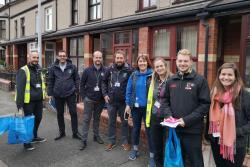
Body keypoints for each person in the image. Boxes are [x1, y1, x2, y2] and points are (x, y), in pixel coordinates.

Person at [163, 49, 210, 167]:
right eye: (180, 61)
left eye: (185, 61)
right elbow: (164, 100)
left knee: (195, 162)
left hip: (192, 130)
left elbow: (205, 105)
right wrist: (168, 116)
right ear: (176, 62)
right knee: (178, 161)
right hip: (175, 130)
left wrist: (186, 120)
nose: (182, 63)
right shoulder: (171, 80)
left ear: (191, 62)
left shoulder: (200, 80)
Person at [208, 63, 250, 167]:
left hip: (236, 143)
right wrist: (207, 136)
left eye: (230, 75)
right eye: (223, 74)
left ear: (236, 77)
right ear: (219, 75)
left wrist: (236, 131)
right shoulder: (214, 93)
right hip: (216, 141)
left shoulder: (244, 95)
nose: (226, 77)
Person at [124, 54, 155, 166]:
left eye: (144, 61)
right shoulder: (133, 75)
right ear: (137, 63)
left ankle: (152, 156)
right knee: (136, 129)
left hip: (148, 109)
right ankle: (135, 150)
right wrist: (128, 104)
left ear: (148, 62)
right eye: (140, 61)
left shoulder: (153, 75)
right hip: (136, 108)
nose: (142, 63)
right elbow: (128, 90)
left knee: (149, 131)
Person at [47, 50, 81, 140]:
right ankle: (62, 132)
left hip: (70, 93)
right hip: (58, 94)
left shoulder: (72, 67)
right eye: (60, 55)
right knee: (60, 114)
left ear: (66, 57)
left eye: (64, 55)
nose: (62, 57)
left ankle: (75, 133)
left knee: (73, 113)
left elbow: (77, 79)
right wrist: (50, 93)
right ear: (58, 57)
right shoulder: (53, 68)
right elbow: (50, 80)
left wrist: (76, 90)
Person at [15, 52, 47, 151]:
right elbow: (20, 89)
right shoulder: (23, 70)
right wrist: (19, 106)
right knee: (28, 122)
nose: (36, 59)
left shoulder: (39, 69)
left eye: (37, 57)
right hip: (28, 102)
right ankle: (26, 142)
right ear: (29, 57)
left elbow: (42, 84)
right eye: (34, 57)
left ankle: (33, 136)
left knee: (38, 118)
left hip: (38, 101)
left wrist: (44, 97)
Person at [102, 50, 132, 151]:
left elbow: (132, 85)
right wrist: (105, 94)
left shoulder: (129, 70)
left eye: (121, 58)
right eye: (117, 58)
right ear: (115, 59)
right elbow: (103, 82)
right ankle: (111, 141)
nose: (119, 60)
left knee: (125, 122)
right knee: (111, 122)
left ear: (125, 58)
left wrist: (129, 101)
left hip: (124, 103)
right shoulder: (109, 69)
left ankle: (125, 142)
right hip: (111, 102)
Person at [145, 57, 172, 167]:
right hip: (154, 117)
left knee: (167, 146)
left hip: (168, 118)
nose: (159, 68)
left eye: (161, 66)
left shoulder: (172, 80)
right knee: (156, 146)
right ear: (154, 69)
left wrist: (169, 115)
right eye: (157, 67)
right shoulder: (152, 80)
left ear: (166, 66)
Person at [79, 51, 106, 150]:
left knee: (97, 119)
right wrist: (84, 96)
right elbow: (81, 84)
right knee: (86, 120)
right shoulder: (87, 71)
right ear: (93, 58)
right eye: (96, 57)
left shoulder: (105, 70)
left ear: (102, 58)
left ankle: (96, 136)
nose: (98, 59)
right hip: (89, 99)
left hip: (100, 100)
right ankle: (84, 140)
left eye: (100, 57)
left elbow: (106, 84)